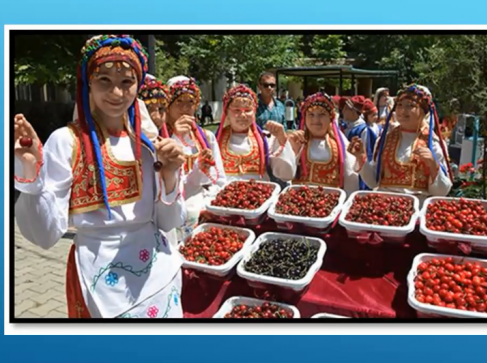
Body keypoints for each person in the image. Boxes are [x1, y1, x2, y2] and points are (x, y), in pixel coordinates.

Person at [14, 34, 187, 318]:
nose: (117, 93)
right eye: (104, 80)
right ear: (88, 84)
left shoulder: (146, 144)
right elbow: (44, 235)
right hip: (99, 274)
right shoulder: (66, 142)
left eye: (126, 82)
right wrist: (31, 176)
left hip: (159, 270)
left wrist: (170, 173)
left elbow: (167, 222)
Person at [351, 84, 453, 200]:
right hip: (384, 205)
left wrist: (433, 165)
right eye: (399, 105)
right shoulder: (385, 139)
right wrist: (361, 158)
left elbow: (441, 192)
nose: (402, 111)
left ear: (424, 111)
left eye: (411, 106)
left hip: (416, 207)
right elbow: (374, 182)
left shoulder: (432, 143)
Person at [166, 75, 226, 242]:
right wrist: (175, 137)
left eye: (190, 102)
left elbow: (219, 179)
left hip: (202, 211)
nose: (185, 108)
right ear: (167, 105)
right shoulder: (159, 137)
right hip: (168, 214)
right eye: (179, 102)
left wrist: (208, 202)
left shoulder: (206, 137)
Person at [215, 84, 296, 182]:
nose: (243, 115)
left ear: (254, 113)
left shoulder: (266, 139)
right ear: (227, 113)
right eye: (237, 110)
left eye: (248, 110)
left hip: (258, 193)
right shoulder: (214, 140)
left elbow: (286, 174)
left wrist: (282, 139)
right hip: (224, 193)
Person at [288, 92, 360, 194]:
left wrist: (347, 202)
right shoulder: (298, 140)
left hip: (329, 202)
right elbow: (285, 174)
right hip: (299, 201)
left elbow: (350, 176)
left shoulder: (341, 144)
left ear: (330, 118)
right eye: (311, 114)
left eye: (322, 114)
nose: (316, 120)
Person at [339, 95, 378, 190]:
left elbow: (366, 156)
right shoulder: (343, 126)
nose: (343, 111)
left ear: (354, 112)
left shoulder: (363, 130)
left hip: (357, 173)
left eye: (347, 108)